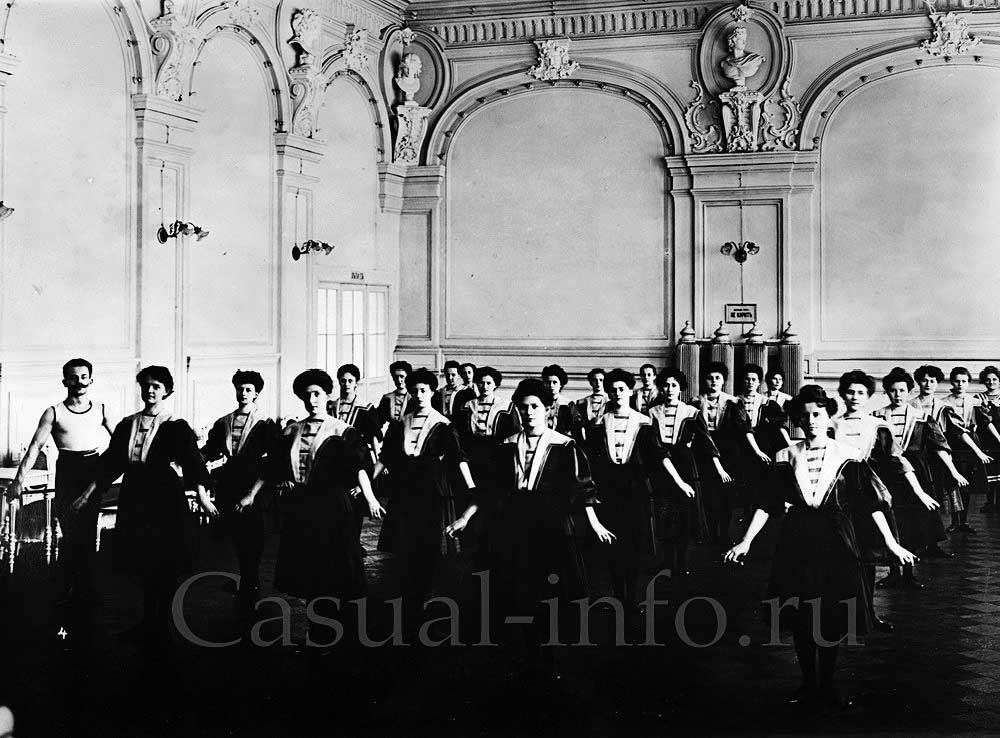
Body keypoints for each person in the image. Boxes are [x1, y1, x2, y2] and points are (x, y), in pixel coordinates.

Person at [725, 385, 916, 709]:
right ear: (797, 420)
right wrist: (746, 540)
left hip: (837, 541)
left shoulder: (848, 455)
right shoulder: (785, 456)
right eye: (805, 415)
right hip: (796, 541)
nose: (811, 420)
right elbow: (767, 503)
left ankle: (827, 685)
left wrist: (891, 543)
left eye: (817, 413)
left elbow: (871, 504)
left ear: (828, 416)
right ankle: (808, 683)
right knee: (801, 616)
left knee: (830, 615)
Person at [446, 378, 612, 664]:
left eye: (535, 406)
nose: (529, 412)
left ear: (547, 409)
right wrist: (464, 517)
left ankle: (547, 656)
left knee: (549, 592)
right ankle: (522, 655)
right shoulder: (505, 446)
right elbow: (489, 490)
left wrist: (594, 523)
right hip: (512, 525)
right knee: (515, 591)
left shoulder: (564, 445)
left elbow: (582, 488)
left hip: (549, 527)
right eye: (523, 407)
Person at [74, 366, 217, 647]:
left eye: (156, 386)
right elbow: (111, 462)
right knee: (143, 561)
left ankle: (160, 627)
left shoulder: (175, 425)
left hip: (164, 497)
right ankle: (148, 624)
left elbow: (192, 462)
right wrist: (88, 494)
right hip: (135, 495)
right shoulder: (128, 424)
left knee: (163, 562)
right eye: (146, 385)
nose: (150, 390)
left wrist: (203, 496)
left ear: (167, 391)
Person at [263, 369, 382, 648]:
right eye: (307, 396)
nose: (312, 400)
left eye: (317, 394)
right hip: (302, 509)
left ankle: (336, 634)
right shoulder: (292, 430)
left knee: (333, 571)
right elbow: (274, 466)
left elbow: (359, 468)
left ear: (328, 396)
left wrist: (370, 497)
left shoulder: (342, 431)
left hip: (333, 508)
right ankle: (318, 633)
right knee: (309, 571)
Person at [5, 358, 114, 610]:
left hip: (93, 470)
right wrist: (19, 480)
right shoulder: (54, 412)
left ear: (91, 380)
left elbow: (121, 442)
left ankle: (87, 591)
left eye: (84, 377)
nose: (79, 382)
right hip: (68, 471)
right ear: (65, 381)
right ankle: (66, 589)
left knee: (88, 532)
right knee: (70, 531)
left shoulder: (101, 409)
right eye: (73, 377)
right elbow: (35, 447)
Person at [375, 368, 476, 616]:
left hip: (432, 490)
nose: (419, 395)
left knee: (430, 545)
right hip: (405, 490)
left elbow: (458, 457)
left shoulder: (443, 425)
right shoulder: (400, 424)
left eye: (423, 390)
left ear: (431, 392)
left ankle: (429, 597)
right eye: (415, 391)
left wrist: (471, 486)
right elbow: (385, 457)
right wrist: (367, 481)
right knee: (406, 543)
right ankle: (409, 596)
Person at [832, 369, 925, 632]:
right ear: (843, 395)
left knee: (866, 557)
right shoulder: (832, 425)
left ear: (868, 396)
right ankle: (842, 616)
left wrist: (918, 491)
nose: (855, 397)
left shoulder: (877, 426)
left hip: (866, 498)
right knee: (839, 558)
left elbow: (896, 460)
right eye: (850, 392)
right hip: (835, 498)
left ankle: (868, 615)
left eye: (861, 392)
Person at [584, 368, 665, 610]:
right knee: (613, 544)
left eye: (622, 389)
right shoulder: (598, 423)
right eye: (613, 389)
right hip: (609, 490)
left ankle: (631, 596)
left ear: (630, 391)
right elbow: (591, 461)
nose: (617, 393)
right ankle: (618, 595)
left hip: (635, 490)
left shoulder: (644, 422)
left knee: (634, 543)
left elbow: (654, 460)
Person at [872, 368, 960, 589]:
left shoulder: (921, 417)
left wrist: (953, 471)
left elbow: (939, 446)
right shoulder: (876, 417)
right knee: (890, 521)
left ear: (909, 390)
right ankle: (893, 572)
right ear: (887, 392)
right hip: (886, 477)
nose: (898, 395)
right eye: (893, 390)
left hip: (915, 478)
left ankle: (909, 574)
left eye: (902, 390)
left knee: (910, 525)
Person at [201, 370, 280, 612]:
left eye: (248, 390)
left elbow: (273, 462)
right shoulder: (224, 421)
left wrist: (252, 494)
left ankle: (251, 583)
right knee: (236, 535)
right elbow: (210, 450)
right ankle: (245, 579)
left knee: (253, 536)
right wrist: (191, 459)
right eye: (240, 389)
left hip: (255, 484)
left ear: (256, 393)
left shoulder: (265, 423)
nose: (243, 393)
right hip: (230, 482)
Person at [647, 368, 725, 577]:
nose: (670, 389)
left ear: (680, 388)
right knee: (664, 514)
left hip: (685, 466)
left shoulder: (691, 412)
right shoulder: (652, 412)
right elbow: (652, 445)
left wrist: (718, 467)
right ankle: (667, 561)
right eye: (666, 385)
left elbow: (707, 442)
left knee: (684, 515)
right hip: (661, 467)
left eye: (674, 385)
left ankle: (681, 563)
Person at [691, 361, 745, 544]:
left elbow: (741, 429)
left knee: (727, 495)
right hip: (703, 451)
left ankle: (725, 534)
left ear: (723, 381)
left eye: (718, 378)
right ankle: (711, 534)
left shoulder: (733, 402)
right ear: (704, 380)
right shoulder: (695, 402)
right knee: (708, 494)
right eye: (710, 378)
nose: (713, 381)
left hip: (728, 452)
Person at [910, 365, 961, 558]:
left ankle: (933, 544)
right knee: (917, 498)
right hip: (917, 458)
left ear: (937, 383)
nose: (928, 384)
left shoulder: (943, 406)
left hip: (939, 458)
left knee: (936, 497)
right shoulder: (910, 405)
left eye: (932, 380)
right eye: (924, 380)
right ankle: (918, 543)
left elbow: (953, 432)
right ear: (918, 382)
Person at [941, 366, 992, 533]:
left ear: (968, 383)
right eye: (957, 381)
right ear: (952, 382)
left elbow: (985, 422)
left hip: (970, 446)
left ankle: (963, 522)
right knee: (953, 483)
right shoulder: (944, 402)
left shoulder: (974, 401)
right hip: (952, 444)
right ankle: (954, 522)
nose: (960, 384)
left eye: (964, 381)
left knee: (967, 484)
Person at [974, 365, 1000, 513]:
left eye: (994, 379)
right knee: (989, 472)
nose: (991, 382)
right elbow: (981, 420)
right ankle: (990, 502)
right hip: (986, 440)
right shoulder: (978, 398)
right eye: (988, 379)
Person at [541, 364, 579, 435]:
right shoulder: (540, 403)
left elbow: (576, 427)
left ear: (560, 384)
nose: (551, 385)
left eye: (554, 382)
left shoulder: (568, 404)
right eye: (548, 382)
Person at [376, 360, 413, 433]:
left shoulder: (414, 398)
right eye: (396, 377)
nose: (399, 380)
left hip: (409, 434)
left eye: (402, 377)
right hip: (391, 435)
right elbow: (379, 420)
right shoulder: (387, 398)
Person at [573, 368, 608, 442]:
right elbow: (578, 425)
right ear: (591, 382)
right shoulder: (582, 402)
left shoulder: (610, 402)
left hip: (605, 439)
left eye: (601, 380)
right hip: (588, 439)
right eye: (595, 380)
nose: (598, 383)